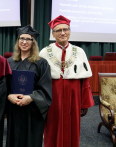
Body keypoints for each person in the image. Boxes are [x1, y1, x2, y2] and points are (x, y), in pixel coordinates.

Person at [39, 15, 94, 147]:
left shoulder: (79, 51)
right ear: (53, 34)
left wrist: (84, 103)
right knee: (52, 126)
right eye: (58, 30)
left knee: (73, 127)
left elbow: (84, 79)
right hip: (52, 96)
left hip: (73, 98)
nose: (63, 33)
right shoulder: (45, 52)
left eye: (66, 29)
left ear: (69, 31)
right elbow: (38, 80)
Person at [6, 25, 52, 147]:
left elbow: (46, 88)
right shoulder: (9, 62)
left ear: (33, 43)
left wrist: (31, 98)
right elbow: (3, 85)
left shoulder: (41, 63)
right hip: (14, 109)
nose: (24, 42)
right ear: (18, 41)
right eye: (21, 38)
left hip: (32, 111)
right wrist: (8, 96)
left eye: (28, 39)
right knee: (13, 139)